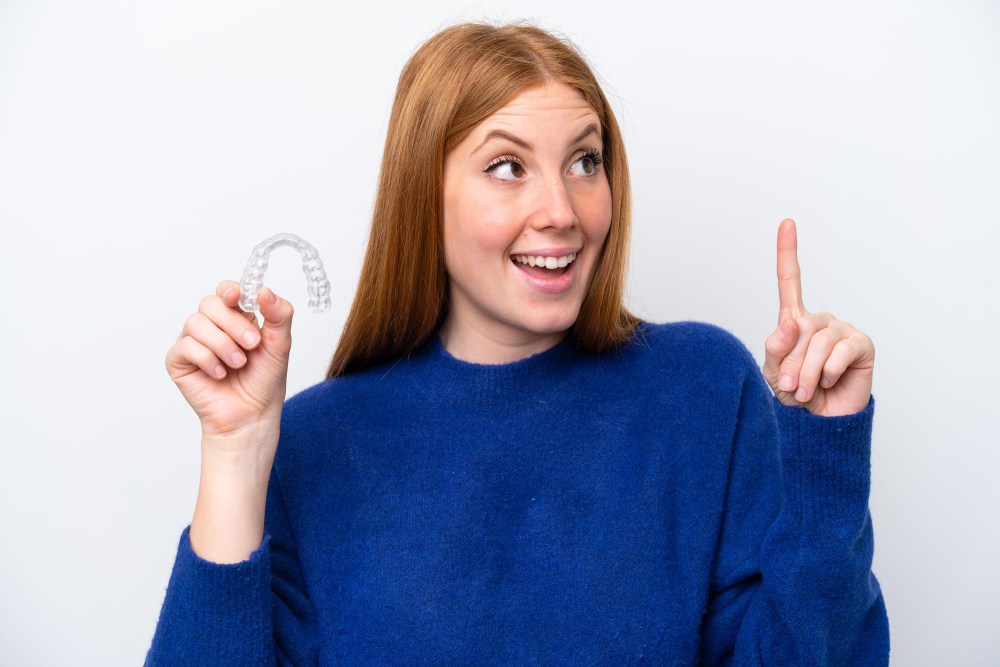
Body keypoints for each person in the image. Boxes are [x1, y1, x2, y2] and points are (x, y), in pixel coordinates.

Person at [146, 20, 889, 666]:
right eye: (508, 167)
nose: (561, 210)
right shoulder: (314, 440)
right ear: (422, 192)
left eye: (584, 161)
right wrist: (237, 452)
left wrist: (824, 460)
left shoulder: (702, 390)